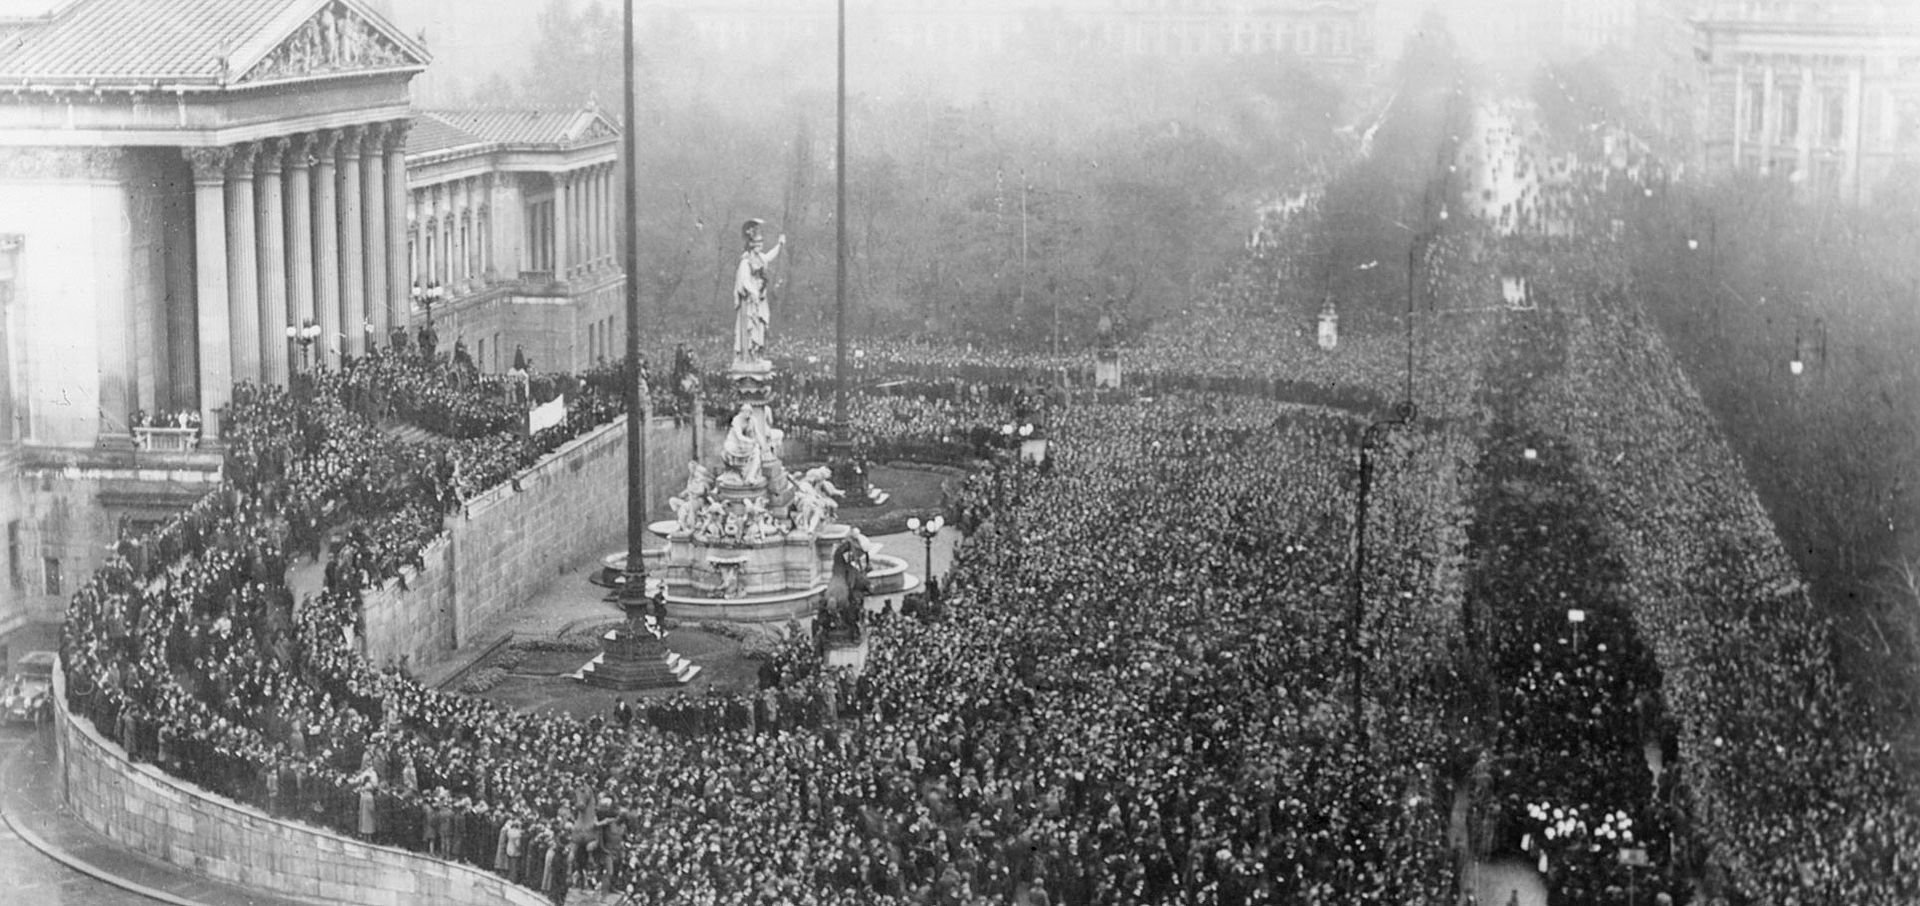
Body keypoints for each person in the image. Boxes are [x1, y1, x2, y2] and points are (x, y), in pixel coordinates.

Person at [731, 218, 785, 365]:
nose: (760, 246)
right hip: (749, 303)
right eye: (758, 243)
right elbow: (744, 280)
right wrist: (753, 291)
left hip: (760, 300)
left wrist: (779, 244)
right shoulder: (746, 262)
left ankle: (757, 354)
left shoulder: (761, 258)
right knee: (751, 329)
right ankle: (749, 355)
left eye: (761, 243)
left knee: (761, 327)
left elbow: (770, 256)